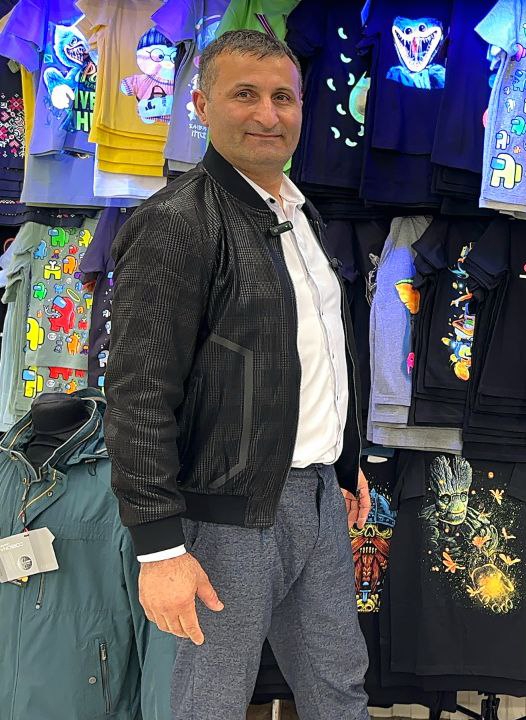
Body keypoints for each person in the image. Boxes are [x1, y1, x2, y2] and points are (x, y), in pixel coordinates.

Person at [105, 30, 372, 720]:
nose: (267, 114)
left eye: (284, 97)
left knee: (340, 686)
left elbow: (319, 350)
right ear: (201, 106)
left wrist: (346, 461)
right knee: (212, 700)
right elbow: (138, 393)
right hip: (224, 511)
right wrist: (158, 549)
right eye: (244, 94)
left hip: (317, 496)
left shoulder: (300, 214)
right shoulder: (175, 222)